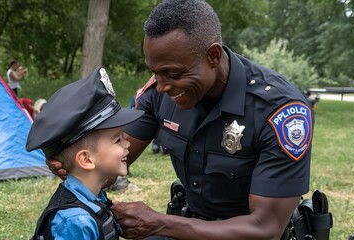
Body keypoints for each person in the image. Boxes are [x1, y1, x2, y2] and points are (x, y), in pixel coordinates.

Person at [48, 1, 314, 239]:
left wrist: (161, 224)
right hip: (187, 226)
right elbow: (110, 157)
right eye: (155, 72)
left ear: (213, 56)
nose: (162, 86)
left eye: (173, 74)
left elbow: (265, 228)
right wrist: (75, 162)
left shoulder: (279, 111)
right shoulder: (160, 94)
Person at [26, 67, 143, 239]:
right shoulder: (76, 221)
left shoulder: (94, 197)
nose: (127, 143)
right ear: (86, 159)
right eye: (118, 140)